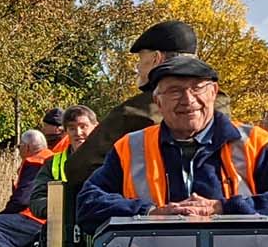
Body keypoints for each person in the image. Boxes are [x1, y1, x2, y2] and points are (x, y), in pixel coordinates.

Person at [75, 55, 268, 229]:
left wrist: (226, 209)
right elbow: (87, 205)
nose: (188, 99)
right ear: (158, 102)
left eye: (197, 88)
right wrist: (148, 213)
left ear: (213, 93)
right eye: (174, 90)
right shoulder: (129, 148)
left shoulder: (254, 142)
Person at [65, 20, 219, 189]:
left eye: (140, 59)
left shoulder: (134, 112)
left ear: (156, 58)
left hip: (146, 212)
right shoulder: (219, 105)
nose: (136, 68)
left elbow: (78, 169)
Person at [15, 105, 99, 247]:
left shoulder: (113, 158)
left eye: (83, 126)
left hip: (99, 224)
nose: (78, 133)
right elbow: (36, 200)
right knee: (49, 232)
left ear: (95, 127)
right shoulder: (53, 163)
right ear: (66, 132)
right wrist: (59, 210)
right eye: (72, 128)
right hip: (64, 225)